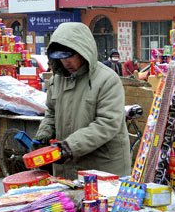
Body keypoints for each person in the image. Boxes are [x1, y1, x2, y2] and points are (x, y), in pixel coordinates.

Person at [34, 22, 131, 179]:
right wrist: (44, 134)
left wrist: (69, 146)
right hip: (67, 168)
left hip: (102, 169)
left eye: (70, 56)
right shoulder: (57, 80)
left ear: (84, 51)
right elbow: (51, 112)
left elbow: (107, 123)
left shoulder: (107, 80)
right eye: (61, 58)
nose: (66, 63)